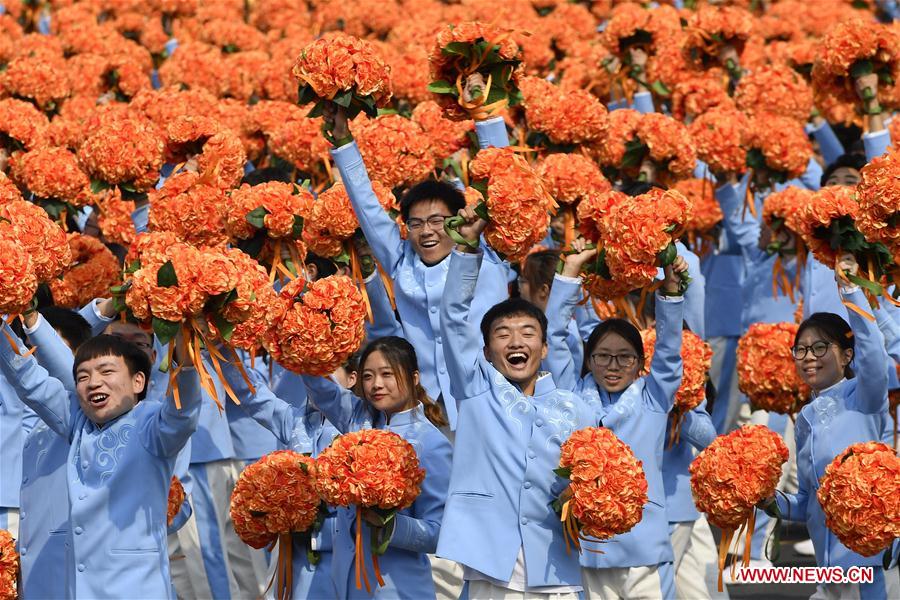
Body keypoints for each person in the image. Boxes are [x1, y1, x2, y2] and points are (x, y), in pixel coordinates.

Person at [436, 207, 597, 598]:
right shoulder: (476, 390)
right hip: (491, 571)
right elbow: (452, 321)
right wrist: (466, 249)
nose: (515, 342)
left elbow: (594, 477)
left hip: (556, 572)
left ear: (543, 348)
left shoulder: (574, 408)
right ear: (488, 350)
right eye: (502, 334)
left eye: (527, 333)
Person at [324, 101, 511, 431]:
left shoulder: (484, 251)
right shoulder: (401, 262)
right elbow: (366, 207)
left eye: (437, 221)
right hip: (430, 410)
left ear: (458, 219)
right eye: (416, 223)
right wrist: (342, 141)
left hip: (493, 400)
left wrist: (484, 110)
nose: (426, 232)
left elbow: (504, 180)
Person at [0, 319, 201, 598]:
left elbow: (184, 411)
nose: (94, 383)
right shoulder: (77, 421)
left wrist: (184, 346)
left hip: (137, 590)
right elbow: (30, 380)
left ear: (138, 381)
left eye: (107, 372)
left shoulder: (152, 425)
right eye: (82, 376)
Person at [544, 241, 688, 599]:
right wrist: (570, 272)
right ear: (589, 360)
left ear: (641, 365)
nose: (612, 365)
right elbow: (556, 339)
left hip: (645, 548)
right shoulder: (572, 397)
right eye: (603, 356)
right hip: (588, 547)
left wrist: (670, 290)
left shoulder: (653, 398)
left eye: (624, 357)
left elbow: (669, 352)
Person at [762, 254, 899, 600]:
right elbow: (807, 502)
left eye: (820, 347)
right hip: (830, 574)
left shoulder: (865, 396)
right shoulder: (806, 418)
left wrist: (851, 291)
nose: (809, 357)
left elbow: (872, 352)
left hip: (866, 567)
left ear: (846, 356)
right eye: (801, 350)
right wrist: (768, 502)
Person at [299, 337, 452, 599]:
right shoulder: (358, 418)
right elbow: (320, 387)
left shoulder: (431, 443)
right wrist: (306, 337)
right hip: (345, 584)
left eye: (387, 374)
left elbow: (441, 533)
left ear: (414, 377)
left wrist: (387, 522)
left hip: (396, 588)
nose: (376, 385)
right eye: (368, 376)